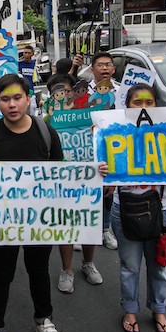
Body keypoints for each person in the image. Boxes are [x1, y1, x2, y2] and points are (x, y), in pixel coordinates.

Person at [0, 74, 66, 332]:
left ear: (28, 99)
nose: (12, 105)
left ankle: (44, 321)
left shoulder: (46, 132)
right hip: (1, 222)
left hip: (38, 219)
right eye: (5, 99)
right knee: (0, 275)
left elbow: (60, 173)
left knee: (39, 270)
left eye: (17, 98)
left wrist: (94, 175)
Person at [107, 84, 166, 332]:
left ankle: (159, 309)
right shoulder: (114, 134)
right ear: (127, 106)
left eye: (149, 103)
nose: (144, 108)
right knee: (130, 265)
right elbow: (104, 176)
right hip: (124, 208)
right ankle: (130, 310)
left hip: (161, 209)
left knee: (158, 265)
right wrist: (103, 170)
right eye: (138, 103)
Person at [43, 74, 104, 294]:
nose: (64, 95)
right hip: (63, 177)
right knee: (66, 224)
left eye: (68, 91)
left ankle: (88, 263)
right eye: (58, 92)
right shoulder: (48, 118)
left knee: (90, 221)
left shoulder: (91, 111)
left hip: (91, 174)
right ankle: (67, 269)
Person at [88, 52, 120, 250]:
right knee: (89, 188)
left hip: (112, 146)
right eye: (100, 65)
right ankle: (86, 230)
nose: (105, 68)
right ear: (92, 69)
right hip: (87, 146)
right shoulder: (82, 91)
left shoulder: (122, 91)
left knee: (109, 189)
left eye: (108, 65)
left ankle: (105, 229)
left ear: (114, 69)